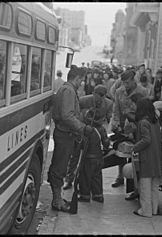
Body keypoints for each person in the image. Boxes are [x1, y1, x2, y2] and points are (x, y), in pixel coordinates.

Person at [48, 65, 93, 212]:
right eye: (81, 80)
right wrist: (82, 128)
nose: (82, 83)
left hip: (66, 134)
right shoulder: (68, 91)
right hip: (64, 135)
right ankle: (56, 200)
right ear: (77, 78)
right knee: (59, 167)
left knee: (60, 166)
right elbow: (67, 116)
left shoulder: (67, 89)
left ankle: (58, 197)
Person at [63, 85, 113, 189]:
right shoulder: (83, 101)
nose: (98, 100)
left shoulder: (109, 104)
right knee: (74, 155)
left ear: (104, 96)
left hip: (96, 132)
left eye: (101, 97)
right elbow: (75, 114)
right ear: (93, 94)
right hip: (83, 129)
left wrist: (107, 135)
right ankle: (69, 179)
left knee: (93, 159)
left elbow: (109, 120)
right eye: (96, 96)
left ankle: (91, 182)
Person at [111, 70, 148, 201]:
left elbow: (145, 111)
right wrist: (115, 124)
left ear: (134, 80)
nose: (125, 85)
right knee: (121, 152)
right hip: (123, 126)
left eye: (127, 82)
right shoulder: (119, 92)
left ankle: (135, 188)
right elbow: (115, 110)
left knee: (135, 156)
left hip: (137, 127)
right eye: (123, 83)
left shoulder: (142, 91)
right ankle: (120, 176)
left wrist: (137, 128)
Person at [132, 98, 162, 217]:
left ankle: (145, 211)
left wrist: (134, 148)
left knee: (145, 186)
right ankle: (154, 210)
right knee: (154, 187)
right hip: (156, 158)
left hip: (146, 158)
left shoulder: (143, 122)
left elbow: (146, 140)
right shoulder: (155, 121)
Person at [78, 108, 110, 203]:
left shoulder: (87, 130)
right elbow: (106, 143)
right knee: (97, 177)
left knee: (85, 177)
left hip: (88, 158)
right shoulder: (102, 129)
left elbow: (81, 144)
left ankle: (85, 195)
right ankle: (98, 195)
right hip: (99, 158)